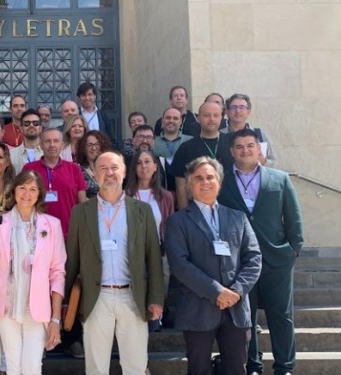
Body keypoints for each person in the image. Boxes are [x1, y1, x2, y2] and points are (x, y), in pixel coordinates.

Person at [64, 151, 166, 375]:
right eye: (103, 168)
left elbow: (153, 258)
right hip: (96, 298)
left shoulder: (142, 210)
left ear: (124, 172)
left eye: (114, 168)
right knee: (96, 367)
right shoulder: (81, 212)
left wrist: (156, 298)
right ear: (95, 176)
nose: (109, 173)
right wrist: (66, 302)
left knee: (135, 366)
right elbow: (73, 259)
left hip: (133, 296)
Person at [164, 156, 262, 375]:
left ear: (219, 182)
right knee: (198, 370)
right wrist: (216, 291)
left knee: (237, 369)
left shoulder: (238, 218)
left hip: (236, 310)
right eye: (198, 178)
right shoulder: (178, 221)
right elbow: (180, 265)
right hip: (197, 309)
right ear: (190, 185)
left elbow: (254, 259)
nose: (205, 182)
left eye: (210, 177)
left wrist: (236, 291)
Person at [218, 129, 303, 375]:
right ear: (232, 151)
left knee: (281, 315)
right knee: (246, 316)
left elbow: (293, 218)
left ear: (259, 149)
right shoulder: (222, 182)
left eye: (250, 146)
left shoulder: (279, 178)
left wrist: (293, 250)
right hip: (239, 261)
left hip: (276, 259)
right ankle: (252, 365)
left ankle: (285, 366)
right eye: (240, 147)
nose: (245, 150)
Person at [0, 170, 66, 375]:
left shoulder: (52, 225)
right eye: (22, 188)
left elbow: (57, 274)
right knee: (12, 365)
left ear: (39, 194)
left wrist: (55, 319)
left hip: (37, 309)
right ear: (14, 191)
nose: (27, 194)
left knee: (32, 366)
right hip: (5, 306)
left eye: (32, 189)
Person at [22, 128, 87, 238]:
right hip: (38, 233)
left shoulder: (74, 169)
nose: (52, 145)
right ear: (41, 145)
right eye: (47, 141)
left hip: (69, 233)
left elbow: (82, 204)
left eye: (56, 141)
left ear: (62, 145)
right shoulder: (29, 169)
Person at [170, 102, 234, 209]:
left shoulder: (233, 143)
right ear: (198, 118)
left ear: (222, 118)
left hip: (230, 207)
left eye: (216, 115)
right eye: (206, 115)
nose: (211, 119)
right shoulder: (186, 148)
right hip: (197, 209)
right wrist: (185, 215)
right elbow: (180, 186)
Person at [124, 149, 174, 244]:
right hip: (132, 251)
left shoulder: (166, 196)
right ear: (134, 168)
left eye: (147, 161)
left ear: (155, 167)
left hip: (158, 251)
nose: (143, 166)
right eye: (139, 163)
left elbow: (170, 229)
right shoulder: (125, 196)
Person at [221, 93, 277, 167]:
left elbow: (274, 164)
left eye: (242, 107)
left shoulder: (260, 135)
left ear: (248, 111)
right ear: (227, 112)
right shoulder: (219, 135)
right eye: (234, 107)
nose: (238, 111)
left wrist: (263, 161)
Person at [154, 108, 192, 192]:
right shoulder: (153, 143)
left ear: (181, 121)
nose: (171, 121)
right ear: (162, 120)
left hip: (186, 192)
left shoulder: (191, 141)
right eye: (168, 118)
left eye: (175, 118)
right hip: (160, 192)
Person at [75, 130, 112, 199]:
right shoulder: (77, 169)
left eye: (97, 144)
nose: (94, 148)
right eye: (90, 145)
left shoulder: (110, 168)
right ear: (83, 148)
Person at [9, 109, 44, 174]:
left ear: (40, 128)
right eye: (26, 123)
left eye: (35, 123)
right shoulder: (11, 155)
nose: (31, 125)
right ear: (21, 129)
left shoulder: (49, 153)